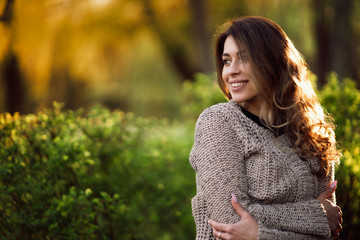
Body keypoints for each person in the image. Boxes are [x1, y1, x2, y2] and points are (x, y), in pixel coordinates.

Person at [189, 16, 343, 240]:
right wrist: (315, 215)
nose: (231, 71)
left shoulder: (314, 133)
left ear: (273, 61)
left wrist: (257, 233)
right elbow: (230, 223)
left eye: (244, 58)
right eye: (227, 61)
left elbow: (327, 233)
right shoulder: (219, 122)